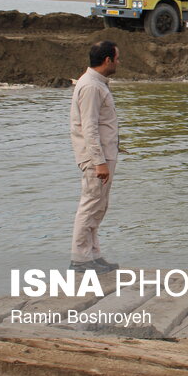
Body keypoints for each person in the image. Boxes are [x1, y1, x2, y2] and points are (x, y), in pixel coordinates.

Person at [69, 41, 122, 273]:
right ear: (107, 60)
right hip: (96, 159)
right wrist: (99, 161)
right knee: (90, 205)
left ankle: (93, 254)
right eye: (117, 58)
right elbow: (88, 127)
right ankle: (80, 259)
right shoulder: (91, 87)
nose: (119, 62)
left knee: (99, 206)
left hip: (103, 154)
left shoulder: (95, 83)